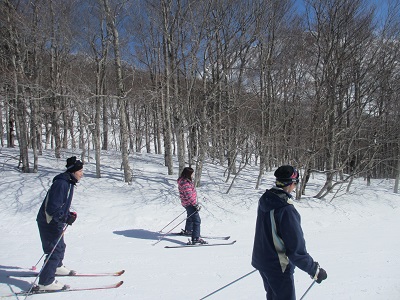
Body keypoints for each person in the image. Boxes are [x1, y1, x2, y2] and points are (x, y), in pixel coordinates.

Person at [252, 165, 327, 300]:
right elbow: (296, 250)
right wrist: (314, 270)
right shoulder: (286, 210)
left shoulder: (266, 199)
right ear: (292, 184)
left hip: (263, 262)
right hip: (278, 266)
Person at [36, 156, 84, 291]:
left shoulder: (68, 182)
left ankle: (57, 267)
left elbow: (60, 206)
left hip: (55, 221)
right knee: (54, 251)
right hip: (49, 221)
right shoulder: (62, 183)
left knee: (60, 246)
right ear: (74, 171)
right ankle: (46, 282)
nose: (82, 174)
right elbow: (52, 208)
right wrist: (64, 217)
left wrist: (68, 215)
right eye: (80, 171)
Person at [177, 167, 207, 245]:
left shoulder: (185, 181)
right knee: (197, 220)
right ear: (188, 174)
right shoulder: (185, 183)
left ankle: (188, 230)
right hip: (189, 203)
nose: (193, 175)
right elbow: (188, 195)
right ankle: (196, 238)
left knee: (190, 217)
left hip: (187, 203)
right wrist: (194, 204)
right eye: (192, 173)